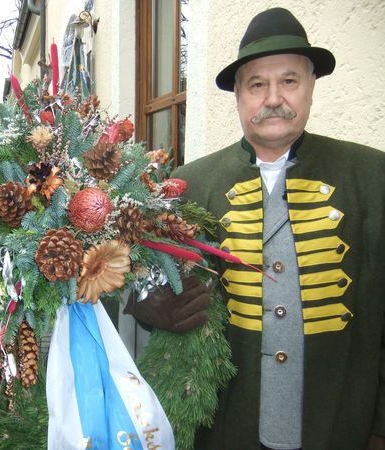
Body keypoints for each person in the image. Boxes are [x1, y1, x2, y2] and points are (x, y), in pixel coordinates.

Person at [130, 7, 385, 450]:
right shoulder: (190, 185)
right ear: (239, 97)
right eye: (257, 85)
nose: (273, 98)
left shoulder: (372, 177)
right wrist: (147, 304)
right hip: (227, 428)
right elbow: (129, 278)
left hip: (339, 426)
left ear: (310, 87)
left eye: (289, 81)